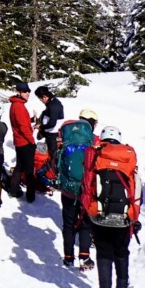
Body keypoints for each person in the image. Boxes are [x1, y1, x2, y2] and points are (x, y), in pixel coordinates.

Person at [80, 125, 143, 288]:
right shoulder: (128, 159)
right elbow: (137, 190)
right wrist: (134, 217)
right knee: (121, 253)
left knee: (104, 253)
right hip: (124, 217)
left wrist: (89, 210)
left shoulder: (96, 156)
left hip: (99, 215)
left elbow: (88, 186)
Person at [56, 109, 98, 269]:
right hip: (86, 190)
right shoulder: (94, 140)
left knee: (68, 224)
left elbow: (57, 159)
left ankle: (68, 257)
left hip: (67, 190)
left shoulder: (66, 137)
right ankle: (84, 256)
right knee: (86, 223)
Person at [8, 81, 37, 202]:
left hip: (19, 141)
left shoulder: (16, 104)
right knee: (29, 170)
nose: (27, 93)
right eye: (25, 91)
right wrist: (32, 141)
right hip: (25, 142)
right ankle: (30, 196)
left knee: (19, 167)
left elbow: (21, 121)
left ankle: (13, 190)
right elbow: (23, 127)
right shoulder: (19, 106)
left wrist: (31, 120)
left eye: (28, 91)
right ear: (18, 92)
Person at [35, 85, 64, 159]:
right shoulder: (51, 102)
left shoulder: (53, 105)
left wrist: (41, 127)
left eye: (41, 99)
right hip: (50, 133)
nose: (41, 101)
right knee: (49, 152)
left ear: (45, 97)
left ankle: (52, 165)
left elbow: (52, 123)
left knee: (53, 155)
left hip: (53, 135)